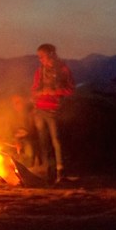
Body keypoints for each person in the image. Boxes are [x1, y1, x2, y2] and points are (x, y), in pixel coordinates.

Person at [31, 44, 74, 183]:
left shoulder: (63, 70)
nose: (41, 60)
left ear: (51, 55)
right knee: (43, 142)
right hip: (40, 110)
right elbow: (34, 90)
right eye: (39, 57)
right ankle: (48, 171)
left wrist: (54, 92)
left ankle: (60, 171)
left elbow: (70, 89)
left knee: (56, 140)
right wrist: (39, 93)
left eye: (42, 56)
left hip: (53, 110)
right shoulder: (40, 71)